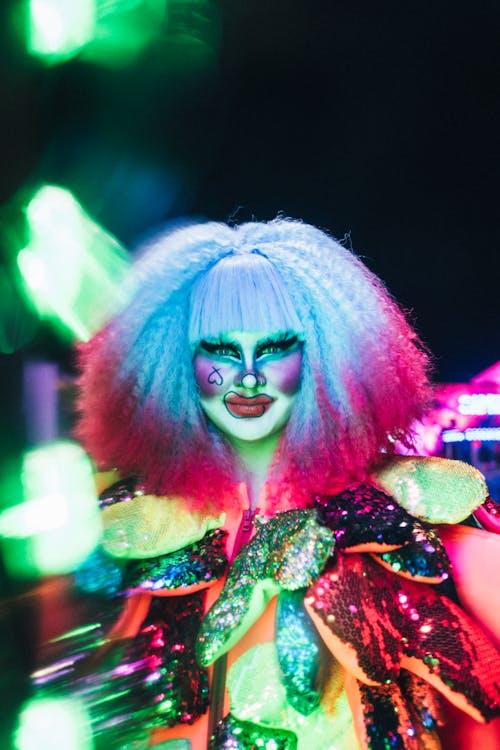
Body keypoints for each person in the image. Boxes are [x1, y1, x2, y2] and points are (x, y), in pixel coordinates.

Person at [38, 218, 500, 749]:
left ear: (325, 352)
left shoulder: (417, 529)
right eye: (222, 350)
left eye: (276, 347)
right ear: (175, 360)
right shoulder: (124, 539)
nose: (249, 375)